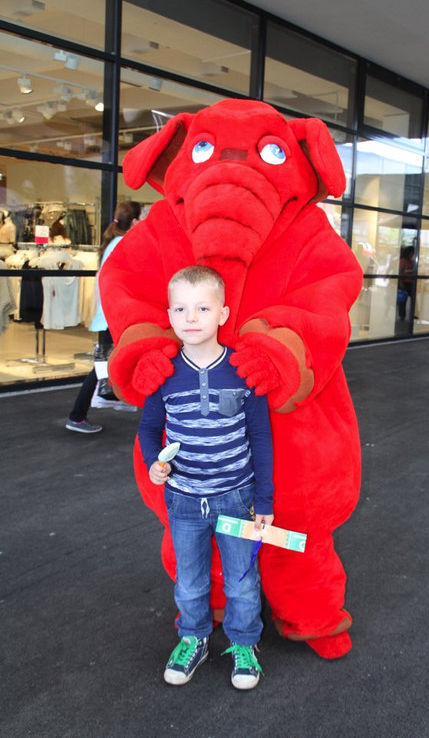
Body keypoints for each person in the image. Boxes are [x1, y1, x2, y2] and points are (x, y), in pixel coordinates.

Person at [137, 265, 274, 690]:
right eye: (180, 309)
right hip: (183, 500)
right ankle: (193, 638)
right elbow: (148, 429)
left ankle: (244, 643)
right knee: (190, 581)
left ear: (222, 314)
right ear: (169, 315)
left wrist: (265, 501)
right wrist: (153, 463)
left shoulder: (242, 370)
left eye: (202, 308)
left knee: (242, 582)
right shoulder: (163, 373)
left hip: (237, 498)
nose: (191, 317)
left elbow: (260, 437)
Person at [65, 200, 141, 433]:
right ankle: (77, 416)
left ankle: (89, 410)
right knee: (102, 367)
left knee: (106, 365)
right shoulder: (122, 244)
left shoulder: (114, 242)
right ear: (135, 221)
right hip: (112, 317)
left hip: (108, 316)